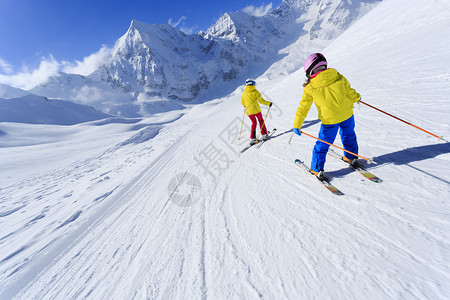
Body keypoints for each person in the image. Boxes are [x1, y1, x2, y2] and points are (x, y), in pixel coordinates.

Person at [293, 53, 361, 181]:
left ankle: (317, 169)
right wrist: (357, 98)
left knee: (323, 144)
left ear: (309, 71)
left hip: (330, 121)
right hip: (347, 115)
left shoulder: (310, 87)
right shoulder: (338, 76)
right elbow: (350, 92)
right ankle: (351, 157)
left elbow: (303, 108)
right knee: (349, 135)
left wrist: (297, 124)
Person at [241, 78, 273, 145]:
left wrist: (245, 105)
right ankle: (264, 134)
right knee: (261, 120)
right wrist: (268, 103)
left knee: (253, 123)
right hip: (256, 110)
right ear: (252, 83)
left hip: (249, 111)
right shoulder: (255, 91)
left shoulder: (244, 93)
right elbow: (261, 101)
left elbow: (242, 102)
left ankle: (253, 138)